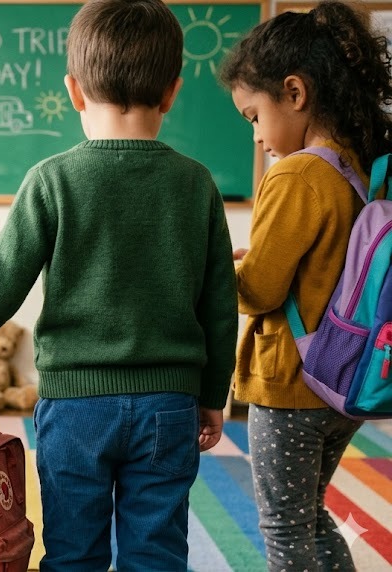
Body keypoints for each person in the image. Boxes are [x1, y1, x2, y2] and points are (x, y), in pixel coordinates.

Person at [0, 0, 238, 569]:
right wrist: (214, 396)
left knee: (72, 551)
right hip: (168, 405)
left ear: (73, 90)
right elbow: (220, 304)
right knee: (157, 551)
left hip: (75, 406)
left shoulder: (51, 180)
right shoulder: (197, 184)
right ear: (172, 91)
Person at [218, 2, 392, 570]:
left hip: (289, 385)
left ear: (294, 93)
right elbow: (318, 265)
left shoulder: (294, 173)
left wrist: (223, 269)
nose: (255, 137)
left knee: (282, 531)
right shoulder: (358, 168)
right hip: (341, 382)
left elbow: (262, 291)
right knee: (311, 517)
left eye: (252, 116)